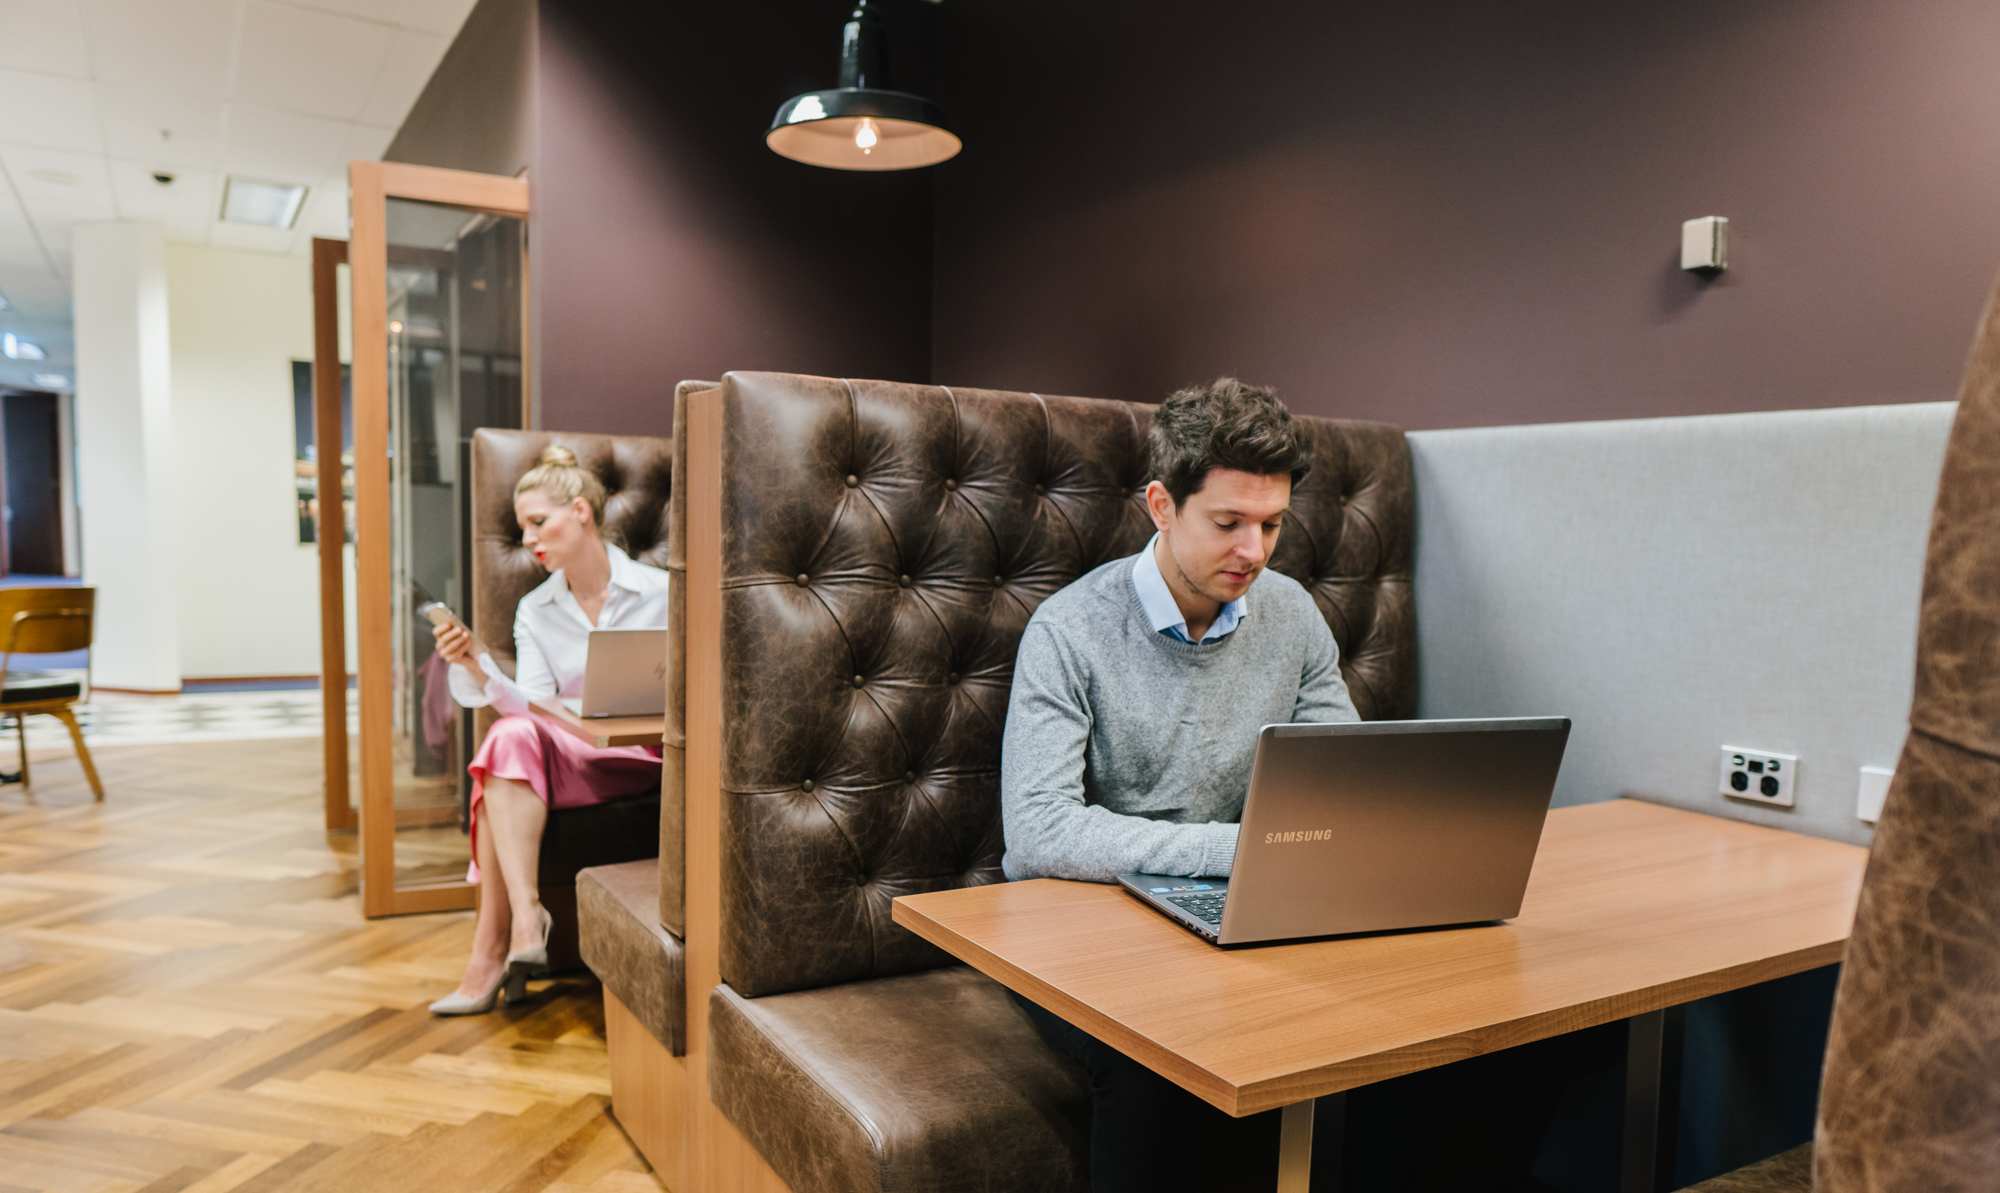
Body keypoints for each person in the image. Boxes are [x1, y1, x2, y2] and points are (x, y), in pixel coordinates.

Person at [999, 380, 1603, 1192]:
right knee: (1158, 1075)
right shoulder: (1069, 630)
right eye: (1228, 523)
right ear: (1160, 505)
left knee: (1502, 1018)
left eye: (1273, 524)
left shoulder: (1289, 615)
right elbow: (1038, 830)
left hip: (1245, 905)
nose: (1254, 550)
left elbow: (1346, 791)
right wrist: (1240, 849)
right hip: (1092, 933)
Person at [426, 444, 669, 1016]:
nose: (530, 538)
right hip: (576, 760)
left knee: (497, 768)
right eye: (522, 528)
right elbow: (532, 709)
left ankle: (493, 952)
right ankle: (527, 915)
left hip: (656, 758)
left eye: (539, 522)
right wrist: (474, 664)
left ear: (581, 511)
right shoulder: (536, 609)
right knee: (509, 739)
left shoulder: (661, 592)